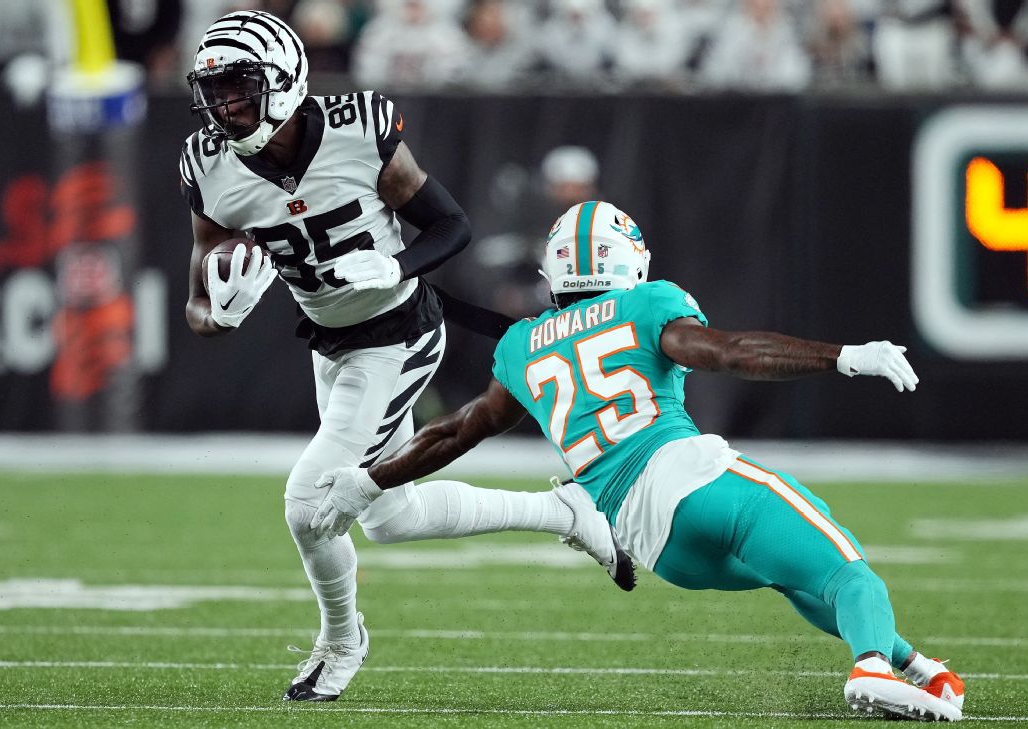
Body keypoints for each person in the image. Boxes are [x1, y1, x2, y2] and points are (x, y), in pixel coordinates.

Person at [312, 201, 967, 721]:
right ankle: (873, 666)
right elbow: (732, 351)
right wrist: (845, 355)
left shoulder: (520, 344)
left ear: (555, 271)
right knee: (849, 568)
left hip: (650, 540)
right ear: (631, 263)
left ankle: (915, 667)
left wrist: (371, 478)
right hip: (692, 478)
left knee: (797, 574)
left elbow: (458, 430)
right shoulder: (647, 303)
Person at [177, 11, 631, 703]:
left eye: (241, 87)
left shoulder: (357, 130)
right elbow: (198, 303)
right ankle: (568, 513)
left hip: (400, 333)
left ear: (285, 79)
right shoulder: (209, 165)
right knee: (394, 518)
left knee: (309, 502)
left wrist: (394, 266)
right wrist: (220, 313)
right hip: (331, 342)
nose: (227, 106)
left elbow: (452, 226)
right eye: (217, 92)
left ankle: (341, 639)